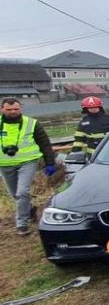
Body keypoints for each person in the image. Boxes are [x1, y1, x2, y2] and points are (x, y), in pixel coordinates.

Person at [0, 98, 56, 236]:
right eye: (9, 109)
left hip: (27, 162)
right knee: (16, 195)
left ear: (20, 108)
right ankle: (29, 209)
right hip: (5, 165)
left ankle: (22, 224)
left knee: (22, 193)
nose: (13, 112)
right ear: (2, 109)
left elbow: (45, 143)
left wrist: (50, 162)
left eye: (16, 109)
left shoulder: (32, 123)